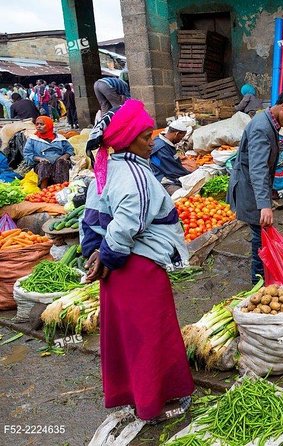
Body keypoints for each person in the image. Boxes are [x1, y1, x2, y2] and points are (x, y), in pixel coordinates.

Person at [80, 99, 194, 423]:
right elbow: (129, 221)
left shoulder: (106, 168)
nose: (152, 142)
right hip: (137, 269)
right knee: (152, 335)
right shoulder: (136, 176)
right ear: (128, 139)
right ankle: (156, 403)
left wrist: (95, 252)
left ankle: (133, 395)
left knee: (127, 336)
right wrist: (110, 254)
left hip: (115, 273)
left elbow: (89, 218)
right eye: (146, 137)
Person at [227, 89, 283, 283]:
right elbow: (258, 168)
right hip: (250, 188)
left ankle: (263, 277)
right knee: (259, 236)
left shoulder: (270, 123)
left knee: (261, 233)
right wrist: (264, 204)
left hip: (254, 187)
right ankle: (258, 282)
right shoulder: (262, 128)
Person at [22, 116, 74, 188]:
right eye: (37, 124)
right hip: (41, 166)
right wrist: (39, 159)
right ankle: (44, 189)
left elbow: (69, 149)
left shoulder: (60, 138)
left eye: (42, 124)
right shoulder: (32, 139)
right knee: (44, 164)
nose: (39, 126)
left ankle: (61, 187)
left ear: (49, 125)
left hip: (58, 164)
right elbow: (27, 153)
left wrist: (64, 157)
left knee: (61, 162)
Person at [150, 120, 190, 194]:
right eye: (181, 138)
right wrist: (189, 175)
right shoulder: (161, 148)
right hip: (162, 179)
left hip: (169, 174)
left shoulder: (162, 141)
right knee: (183, 194)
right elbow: (172, 170)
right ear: (177, 134)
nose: (180, 141)